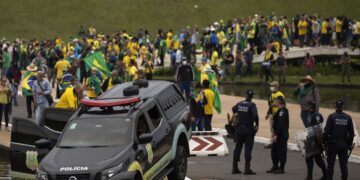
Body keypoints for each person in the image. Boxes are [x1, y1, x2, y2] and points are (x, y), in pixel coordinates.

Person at [323, 100, 355, 180]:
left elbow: (326, 132)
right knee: (343, 165)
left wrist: (324, 142)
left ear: (336, 106)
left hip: (333, 144)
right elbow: (351, 133)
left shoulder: (332, 116)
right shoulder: (348, 117)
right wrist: (349, 144)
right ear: (342, 107)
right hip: (343, 144)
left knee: (330, 165)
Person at [231, 90, 259, 175]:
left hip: (239, 129)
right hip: (248, 130)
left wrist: (236, 114)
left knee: (238, 147)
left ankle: (234, 168)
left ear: (246, 95)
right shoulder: (252, 105)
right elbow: (255, 115)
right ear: (252, 97)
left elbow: (233, 108)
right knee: (248, 149)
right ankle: (247, 169)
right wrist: (257, 124)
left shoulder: (239, 103)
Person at [303, 101, 327, 180]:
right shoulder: (309, 114)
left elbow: (318, 129)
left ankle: (326, 174)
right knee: (309, 158)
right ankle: (309, 176)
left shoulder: (317, 116)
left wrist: (317, 141)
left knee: (317, 159)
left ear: (311, 106)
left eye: (307, 105)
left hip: (315, 140)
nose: (306, 107)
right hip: (310, 139)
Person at [267, 96, 289, 174]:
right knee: (274, 151)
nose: (274, 103)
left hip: (281, 135)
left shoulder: (282, 111)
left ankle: (281, 168)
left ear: (279, 102)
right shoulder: (279, 110)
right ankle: (275, 166)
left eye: (276, 101)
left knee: (281, 151)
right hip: (277, 133)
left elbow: (280, 125)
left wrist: (276, 134)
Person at [265, 81, 285, 149]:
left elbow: (283, 105)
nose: (271, 87)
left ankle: (276, 143)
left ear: (276, 87)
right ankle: (272, 142)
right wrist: (268, 113)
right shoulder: (272, 95)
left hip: (278, 114)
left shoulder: (280, 95)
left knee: (277, 129)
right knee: (272, 129)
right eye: (271, 86)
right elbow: (270, 105)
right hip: (272, 114)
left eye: (272, 86)